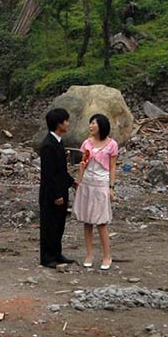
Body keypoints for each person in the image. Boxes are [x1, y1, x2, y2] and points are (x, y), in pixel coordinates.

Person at [72, 113, 118, 270]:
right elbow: (82, 163)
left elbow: (112, 167)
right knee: (87, 221)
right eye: (90, 123)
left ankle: (107, 256)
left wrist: (111, 187)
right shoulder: (86, 143)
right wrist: (79, 181)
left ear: (102, 126)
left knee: (101, 222)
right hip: (87, 184)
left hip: (101, 184)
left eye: (94, 123)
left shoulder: (111, 145)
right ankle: (89, 254)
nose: (91, 126)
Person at [39, 108, 76, 268]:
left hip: (61, 189)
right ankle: (47, 257)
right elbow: (49, 174)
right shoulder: (48, 145)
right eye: (66, 121)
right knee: (49, 225)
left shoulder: (58, 142)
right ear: (58, 124)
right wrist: (56, 195)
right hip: (51, 194)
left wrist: (71, 182)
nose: (68, 124)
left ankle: (57, 253)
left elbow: (61, 170)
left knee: (59, 223)